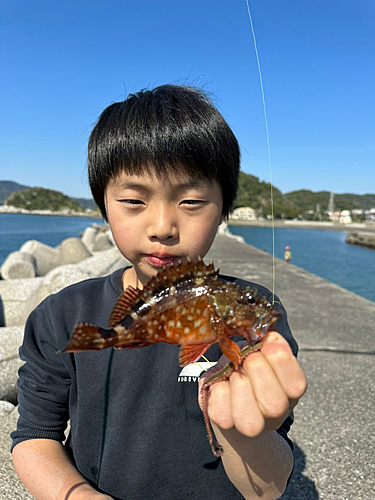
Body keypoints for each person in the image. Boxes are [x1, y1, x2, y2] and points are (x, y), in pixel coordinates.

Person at [11, 85, 307, 500]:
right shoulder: (61, 316)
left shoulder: (253, 313)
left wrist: (242, 431)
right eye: (133, 200)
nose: (163, 226)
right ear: (104, 206)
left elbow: (268, 487)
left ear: (223, 210)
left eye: (191, 201)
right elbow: (35, 436)